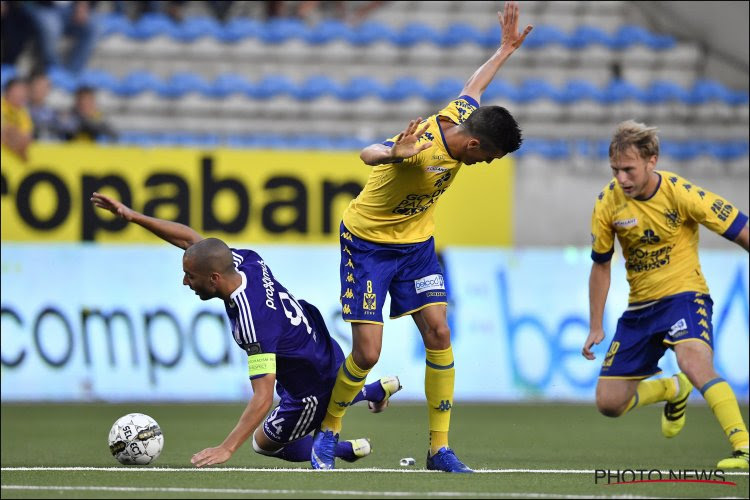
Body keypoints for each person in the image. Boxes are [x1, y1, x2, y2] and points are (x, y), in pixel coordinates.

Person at [310, 0, 533, 472]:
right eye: (489, 157)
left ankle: (439, 449)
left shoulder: (460, 116)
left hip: (416, 247)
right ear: (474, 145)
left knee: (439, 332)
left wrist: (504, 50)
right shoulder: (422, 149)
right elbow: (368, 154)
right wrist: (394, 153)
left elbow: (474, 87)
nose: (488, 164)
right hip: (367, 245)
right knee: (367, 353)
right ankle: (327, 432)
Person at [90, 191, 402, 468]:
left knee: (263, 443)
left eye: (190, 277)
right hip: (321, 346)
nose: (185, 282)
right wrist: (132, 216)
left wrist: (226, 448)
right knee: (276, 429)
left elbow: (263, 396)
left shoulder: (254, 322)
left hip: (310, 385)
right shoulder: (245, 260)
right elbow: (190, 241)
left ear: (214, 279)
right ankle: (365, 396)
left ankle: (343, 438)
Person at [583, 120, 749, 469]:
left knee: (695, 363)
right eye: (615, 170)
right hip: (640, 309)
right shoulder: (608, 204)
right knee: (609, 403)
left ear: (651, 161)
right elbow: (601, 265)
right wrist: (595, 325)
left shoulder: (681, 193)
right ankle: (673, 389)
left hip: (684, 297)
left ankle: (744, 447)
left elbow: (740, 229)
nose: (621, 179)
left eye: (628, 170)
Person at [22, 1, 97, 74]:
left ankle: (72, 73)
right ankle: (55, 70)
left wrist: (82, 5)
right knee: (52, 27)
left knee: (94, 27)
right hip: (42, 7)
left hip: (70, 7)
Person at [0, 77, 33, 162]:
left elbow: (26, 139)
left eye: (24, 92)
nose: (22, 94)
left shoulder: (24, 113)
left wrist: (10, 132)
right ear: (8, 91)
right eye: (18, 90)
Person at [28, 70, 64, 140]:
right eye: (38, 85)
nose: (41, 90)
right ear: (30, 86)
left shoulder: (53, 113)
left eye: (45, 86)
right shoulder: (22, 109)